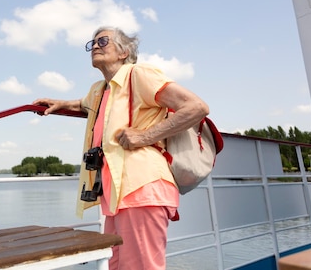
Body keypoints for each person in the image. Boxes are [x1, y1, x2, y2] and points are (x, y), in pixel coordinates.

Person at [33, 26, 209, 270]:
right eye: (91, 43)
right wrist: (62, 103)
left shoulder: (139, 75)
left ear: (124, 52)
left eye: (102, 41)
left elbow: (196, 107)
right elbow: (85, 105)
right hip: (117, 193)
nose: (94, 46)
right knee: (117, 265)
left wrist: (145, 136)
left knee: (142, 266)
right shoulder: (100, 89)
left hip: (142, 187)